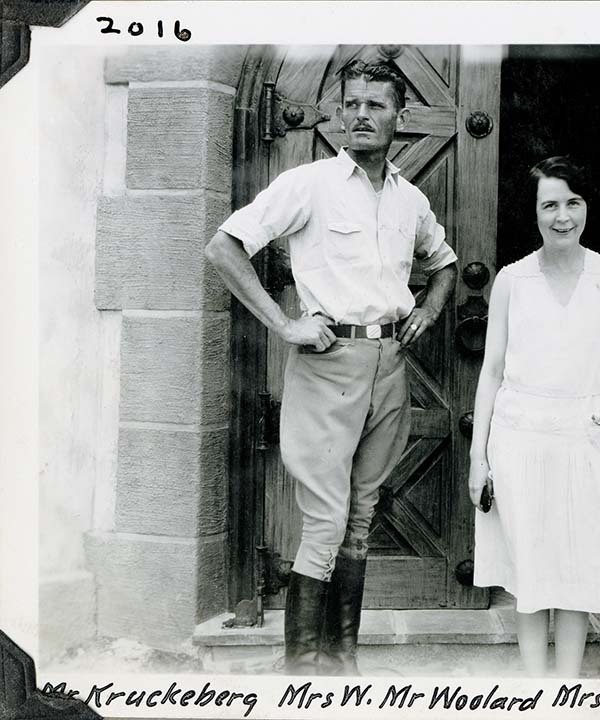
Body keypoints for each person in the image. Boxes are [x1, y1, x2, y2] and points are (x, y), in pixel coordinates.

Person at [204, 59, 458, 675]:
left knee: (362, 515)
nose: (362, 115)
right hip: (327, 364)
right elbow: (224, 247)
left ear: (401, 116)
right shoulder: (310, 183)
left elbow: (445, 262)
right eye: (352, 104)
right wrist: (285, 324)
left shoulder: (411, 197)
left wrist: (426, 311)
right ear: (338, 113)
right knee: (325, 522)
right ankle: (301, 672)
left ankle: (340, 665)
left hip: (389, 364)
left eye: (376, 105)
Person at [469, 157, 600, 677]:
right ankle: (536, 692)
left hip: (589, 442)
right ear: (535, 212)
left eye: (573, 203)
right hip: (522, 440)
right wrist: (479, 457)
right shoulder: (512, 281)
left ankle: (567, 690)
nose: (562, 217)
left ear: (586, 207)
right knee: (531, 569)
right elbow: (492, 371)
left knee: (577, 570)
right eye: (550, 205)